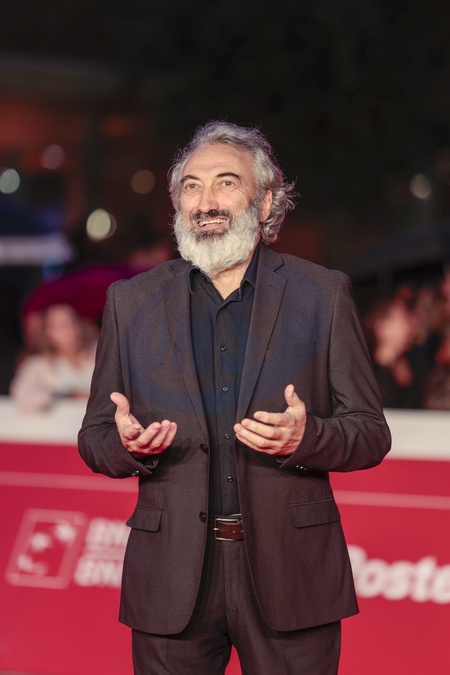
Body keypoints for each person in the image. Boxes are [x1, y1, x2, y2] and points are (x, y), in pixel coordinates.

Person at [78, 121, 391, 675]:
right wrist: (127, 446)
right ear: (178, 203)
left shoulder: (321, 294)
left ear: (265, 200)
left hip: (291, 572)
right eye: (192, 186)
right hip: (170, 574)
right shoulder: (131, 301)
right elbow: (95, 436)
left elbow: (369, 431)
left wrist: (307, 437)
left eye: (226, 182)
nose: (206, 202)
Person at [10, 303, 97, 413]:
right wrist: (67, 395)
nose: (70, 331)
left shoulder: (98, 354)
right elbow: (22, 397)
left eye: (73, 322)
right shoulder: (37, 365)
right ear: (48, 333)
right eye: (62, 326)